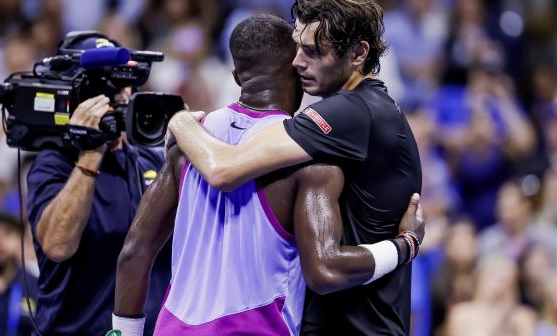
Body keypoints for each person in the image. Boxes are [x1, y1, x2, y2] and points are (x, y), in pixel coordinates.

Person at [111, 14, 424, 336]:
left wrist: (124, 333)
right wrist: (406, 244)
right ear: (296, 68)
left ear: (236, 76)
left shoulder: (189, 142)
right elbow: (326, 269)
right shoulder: (311, 161)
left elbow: (134, 252)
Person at [26, 33, 171, 335]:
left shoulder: (152, 160)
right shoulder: (54, 162)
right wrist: (90, 153)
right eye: (108, 84)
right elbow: (57, 245)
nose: (123, 94)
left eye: (126, 83)